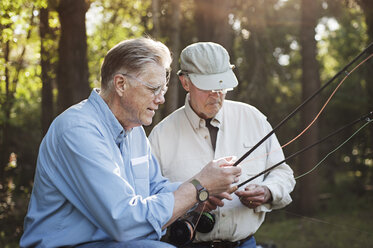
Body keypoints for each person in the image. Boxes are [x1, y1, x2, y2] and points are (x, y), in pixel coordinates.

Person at [20, 38, 242, 248]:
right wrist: (198, 188)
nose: (161, 99)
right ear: (120, 84)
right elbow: (123, 221)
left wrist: (203, 189)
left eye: (163, 90)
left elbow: (155, 188)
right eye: (153, 89)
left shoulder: (134, 129)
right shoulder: (78, 130)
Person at [149, 42, 296, 248]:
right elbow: (149, 198)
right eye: (207, 86)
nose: (216, 94)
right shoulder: (160, 136)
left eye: (221, 85)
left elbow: (282, 173)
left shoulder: (253, 119)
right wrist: (191, 203)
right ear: (185, 82)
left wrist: (268, 191)